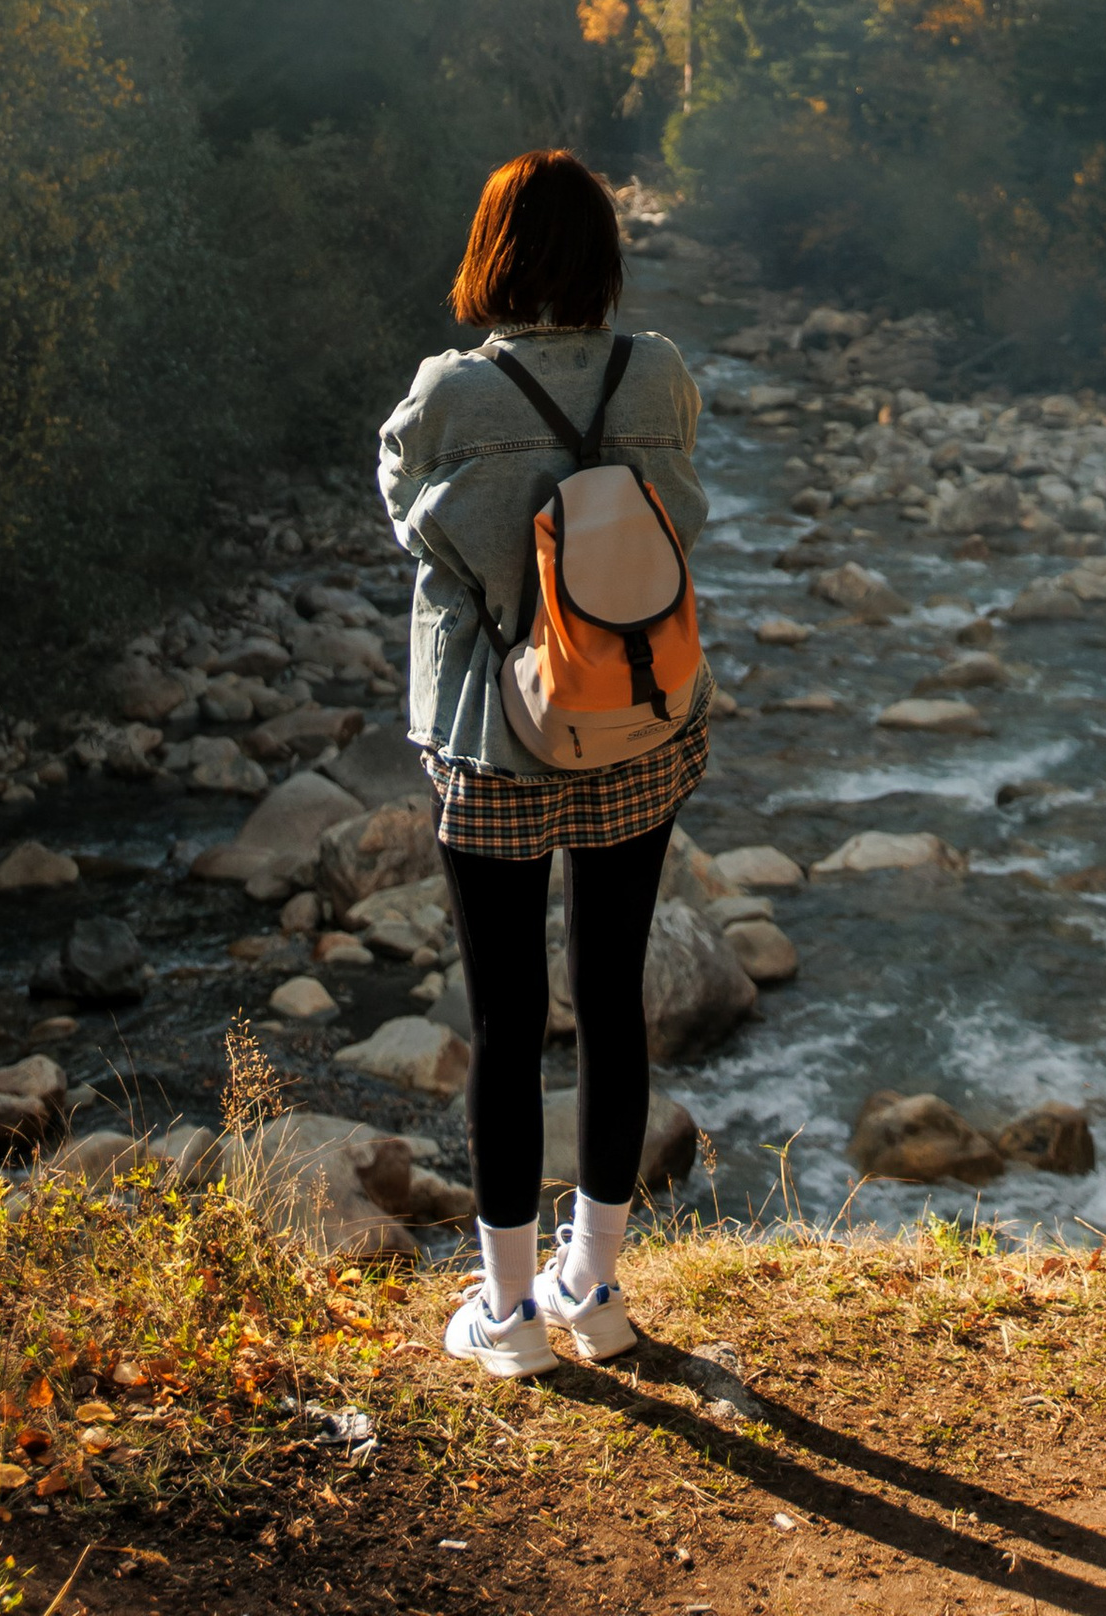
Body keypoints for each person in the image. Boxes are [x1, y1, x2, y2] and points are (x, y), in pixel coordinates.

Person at [378, 148, 710, 1376]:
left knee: (508, 1017)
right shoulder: (658, 371)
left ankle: (509, 1314)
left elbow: (411, 516)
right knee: (612, 1000)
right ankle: (599, 1291)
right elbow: (688, 515)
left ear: (494, 254)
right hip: (637, 719)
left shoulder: (452, 391)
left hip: (492, 737)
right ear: (603, 259)